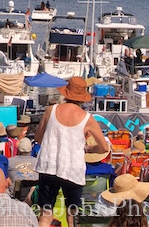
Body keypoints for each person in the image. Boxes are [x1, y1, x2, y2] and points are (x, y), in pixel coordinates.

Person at [34, 76, 110, 227]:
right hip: (73, 169)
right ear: (82, 97)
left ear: (66, 93)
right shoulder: (87, 118)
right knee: (72, 217)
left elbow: (38, 138)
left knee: (45, 215)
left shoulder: (51, 110)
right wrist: (87, 148)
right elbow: (104, 147)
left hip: (49, 166)